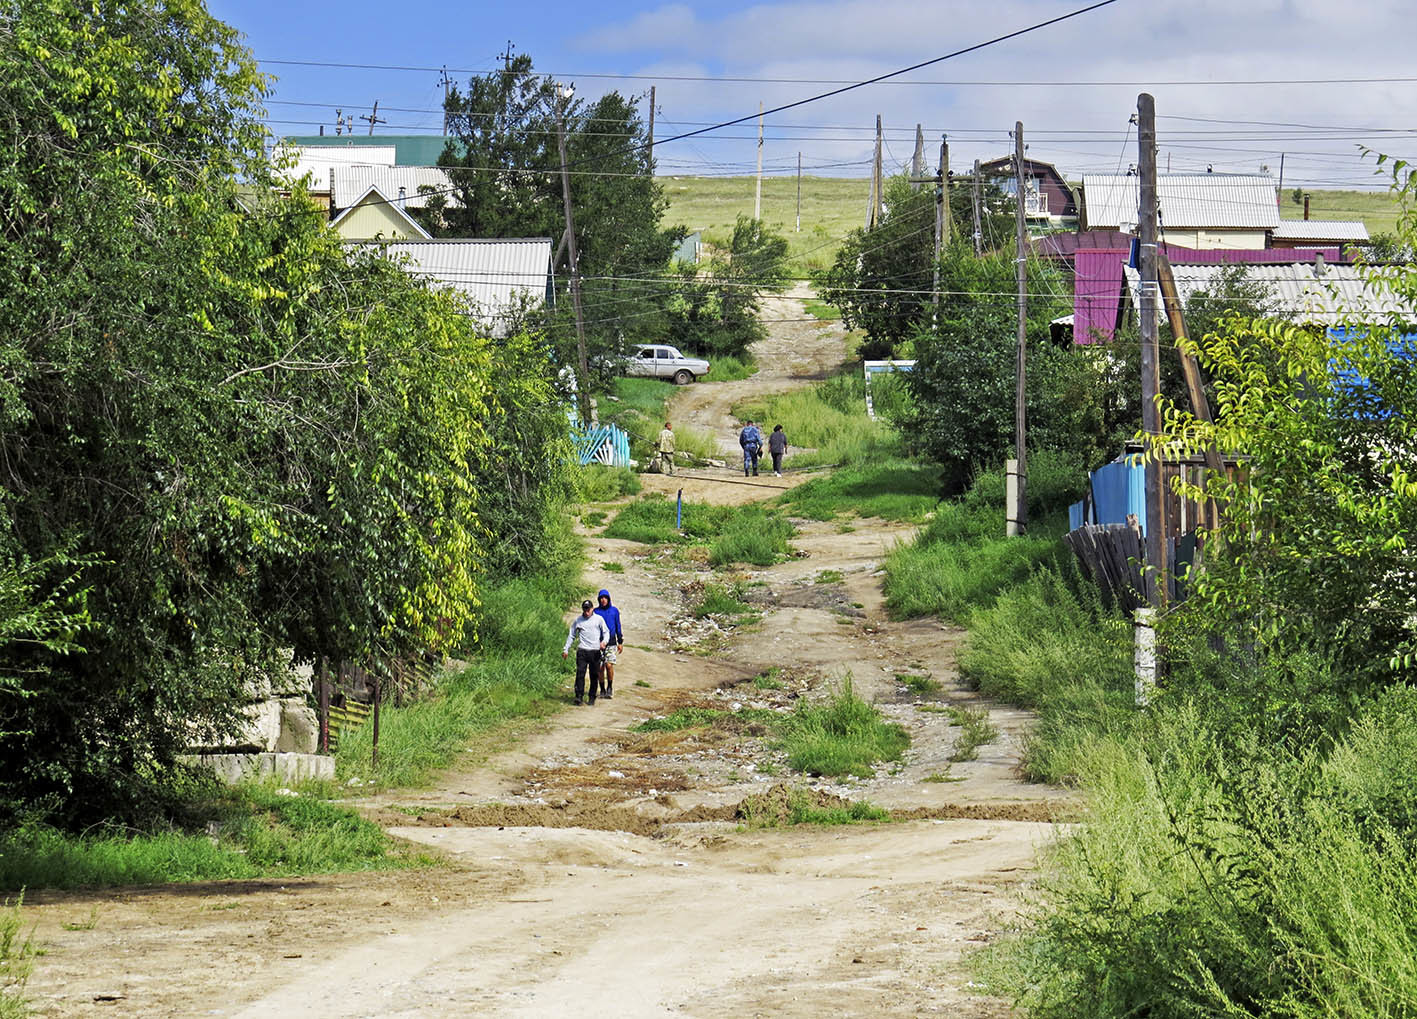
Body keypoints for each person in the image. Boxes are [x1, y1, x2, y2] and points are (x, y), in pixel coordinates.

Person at [562, 599, 610, 705]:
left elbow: (606, 632)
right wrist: (566, 649)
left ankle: (592, 697)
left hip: (595, 651)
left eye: (588, 609)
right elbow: (571, 635)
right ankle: (579, 696)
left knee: (594, 675)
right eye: (585, 609)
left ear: (592, 609)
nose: (586, 611)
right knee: (580, 674)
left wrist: (604, 642)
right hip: (582, 651)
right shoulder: (578, 620)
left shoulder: (599, 619)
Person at [593, 589, 624, 699]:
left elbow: (618, 626)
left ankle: (610, 686)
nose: (603, 600)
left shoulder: (614, 611)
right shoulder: (595, 612)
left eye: (605, 598)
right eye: (601, 598)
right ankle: (602, 689)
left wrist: (620, 641)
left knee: (609, 665)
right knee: (600, 668)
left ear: (608, 599)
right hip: (599, 643)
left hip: (611, 642)